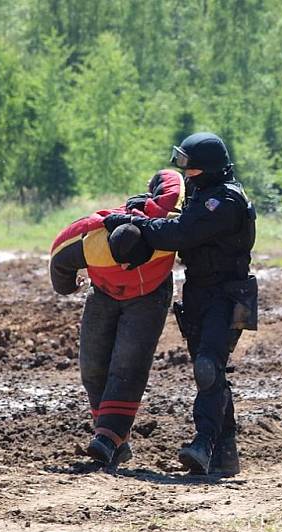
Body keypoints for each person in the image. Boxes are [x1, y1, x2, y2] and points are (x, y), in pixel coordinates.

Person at [103, 132, 257, 476]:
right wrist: (142, 209)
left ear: (209, 168)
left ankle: (204, 443)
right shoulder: (203, 195)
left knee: (207, 368)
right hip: (199, 292)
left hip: (227, 294)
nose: (186, 173)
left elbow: (181, 234)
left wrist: (134, 224)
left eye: (191, 167)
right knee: (210, 373)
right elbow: (178, 222)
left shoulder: (226, 201)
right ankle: (224, 450)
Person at [49, 169, 184, 467]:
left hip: (150, 296)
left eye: (130, 262)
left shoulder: (164, 233)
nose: (124, 265)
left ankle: (108, 438)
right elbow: (58, 260)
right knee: (92, 366)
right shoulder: (89, 241)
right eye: (117, 261)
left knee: (128, 365)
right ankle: (113, 441)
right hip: (103, 293)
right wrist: (70, 287)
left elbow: (173, 182)